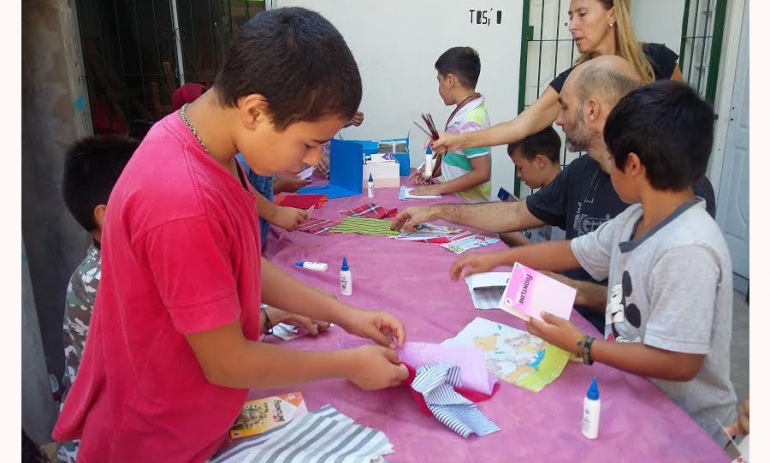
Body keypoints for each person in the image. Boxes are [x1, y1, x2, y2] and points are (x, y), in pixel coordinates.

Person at [53, 8, 409, 462]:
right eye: (309, 143)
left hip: (197, 420)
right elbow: (228, 362)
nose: (311, 160)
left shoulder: (205, 142)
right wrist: (347, 365)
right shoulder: (182, 201)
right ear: (255, 111)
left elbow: (244, 263)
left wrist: (346, 315)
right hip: (158, 442)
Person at [450, 80, 738, 445]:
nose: (603, 167)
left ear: (632, 165)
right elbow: (571, 251)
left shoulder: (688, 247)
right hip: (638, 400)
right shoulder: (635, 218)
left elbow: (680, 363)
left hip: (689, 430)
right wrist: (499, 257)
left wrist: (584, 346)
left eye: (610, 157)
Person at [392, 56, 716, 333]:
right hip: (570, 324)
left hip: (614, 344)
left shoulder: (676, 191)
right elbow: (520, 218)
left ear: (591, 110)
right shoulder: (583, 172)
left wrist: (579, 294)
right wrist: (440, 211)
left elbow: (663, 299)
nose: (558, 119)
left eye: (564, 106)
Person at [58, 135, 139, 462]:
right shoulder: (104, 280)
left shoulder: (123, 260)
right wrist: (265, 319)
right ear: (107, 215)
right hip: (105, 445)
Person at [408, 46, 492, 203]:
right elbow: (456, 160)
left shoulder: (471, 120)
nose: (439, 87)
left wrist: (437, 188)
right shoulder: (465, 112)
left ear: (450, 80)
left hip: (469, 207)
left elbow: (482, 173)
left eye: (439, 81)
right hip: (457, 200)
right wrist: (430, 171)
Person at [499, 127, 564, 247]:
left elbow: (557, 258)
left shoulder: (562, 199)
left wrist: (515, 238)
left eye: (520, 168)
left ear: (540, 161)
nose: (518, 175)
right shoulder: (546, 191)